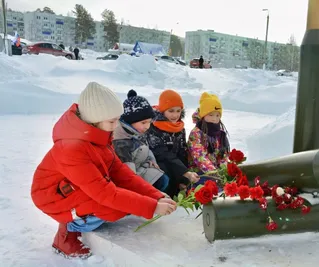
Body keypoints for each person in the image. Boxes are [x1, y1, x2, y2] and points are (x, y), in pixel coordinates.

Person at [31, 82, 177, 259]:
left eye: (117, 120)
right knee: (113, 208)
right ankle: (68, 228)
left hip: (76, 188)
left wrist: (155, 195)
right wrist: (152, 207)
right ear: (94, 119)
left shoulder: (97, 136)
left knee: (121, 205)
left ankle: (80, 217)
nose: (116, 126)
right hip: (55, 196)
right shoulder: (71, 148)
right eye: (112, 121)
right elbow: (105, 193)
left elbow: (122, 174)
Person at [146, 89, 200, 197]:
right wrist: (184, 172)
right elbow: (162, 154)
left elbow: (181, 152)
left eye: (178, 111)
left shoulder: (179, 128)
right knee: (164, 169)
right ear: (162, 111)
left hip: (175, 166)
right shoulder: (153, 127)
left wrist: (184, 178)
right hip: (157, 166)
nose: (175, 115)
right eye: (171, 111)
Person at [113, 89, 169, 192]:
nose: (147, 126)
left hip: (141, 167)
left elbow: (144, 147)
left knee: (163, 178)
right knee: (161, 181)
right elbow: (128, 176)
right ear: (130, 121)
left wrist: (151, 159)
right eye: (143, 122)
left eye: (149, 122)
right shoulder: (120, 142)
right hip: (133, 177)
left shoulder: (135, 131)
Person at [187, 92, 230, 187]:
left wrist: (223, 170)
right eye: (211, 115)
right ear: (203, 115)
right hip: (198, 173)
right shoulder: (196, 133)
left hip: (215, 173)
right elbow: (199, 156)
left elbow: (223, 155)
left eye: (217, 115)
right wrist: (212, 172)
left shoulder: (220, 134)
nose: (214, 119)